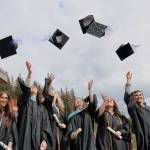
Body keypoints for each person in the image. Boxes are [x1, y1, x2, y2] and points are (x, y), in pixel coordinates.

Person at [17, 61, 54, 150]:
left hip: (37, 141)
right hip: (23, 137)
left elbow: (46, 125)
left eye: (35, 87)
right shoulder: (24, 102)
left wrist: (44, 140)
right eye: (31, 86)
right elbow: (26, 89)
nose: (33, 87)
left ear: (38, 92)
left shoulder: (42, 108)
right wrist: (30, 72)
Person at [64, 80, 97, 150]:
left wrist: (90, 90)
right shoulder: (70, 115)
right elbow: (69, 128)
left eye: (80, 100)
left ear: (83, 103)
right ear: (74, 104)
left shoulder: (87, 111)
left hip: (88, 139)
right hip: (76, 141)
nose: (78, 101)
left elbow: (92, 103)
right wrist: (71, 134)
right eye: (76, 101)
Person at [124, 71, 150, 150]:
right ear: (133, 98)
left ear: (143, 97)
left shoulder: (148, 108)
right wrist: (128, 80)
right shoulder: (134, 108)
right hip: (143, 140)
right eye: (136, 95)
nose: (139, 96)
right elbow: (128, 95)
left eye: (140, 95)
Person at [43, 73, 67, 150]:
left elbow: (66, 123)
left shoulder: (61, 110)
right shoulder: (48, 106)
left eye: (55, 93)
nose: (53, 94)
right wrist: (49, 83)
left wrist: (64, 125)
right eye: (52, 93)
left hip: (60, 134)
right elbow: (47, 95)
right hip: (50, 131)